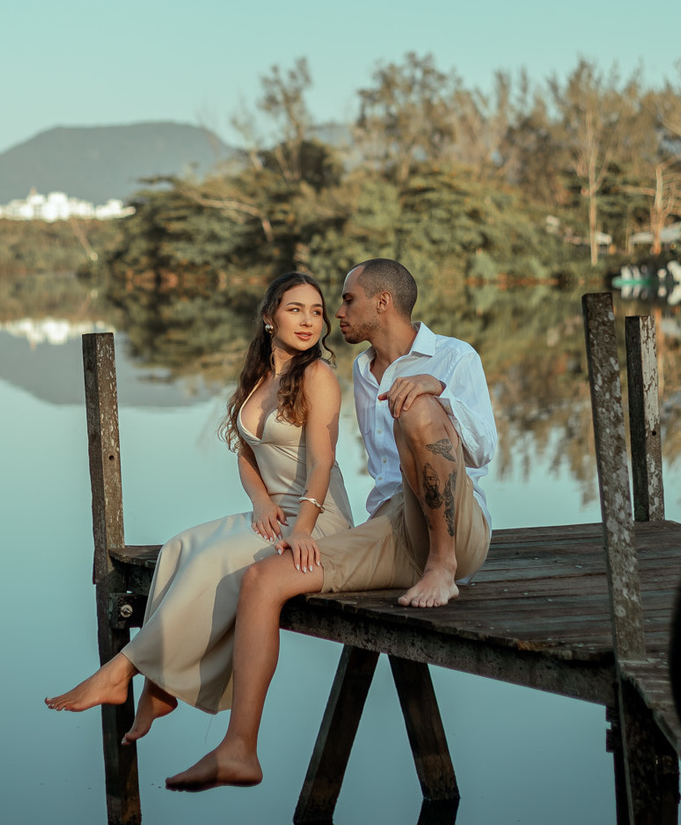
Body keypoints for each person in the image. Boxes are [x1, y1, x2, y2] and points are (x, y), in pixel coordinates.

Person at [165, 258, 497, 792]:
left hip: (457, 529)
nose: (336, 314)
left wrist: (437, 391)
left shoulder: (455, 356)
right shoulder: (362, 371)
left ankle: (441, 567)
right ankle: (239, 749)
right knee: (263, 579)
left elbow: (483, 450)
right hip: (390, 527)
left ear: (382, 303)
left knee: (416, 410)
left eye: (346, 300)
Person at [44, 272, 353, 740]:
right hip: (273, 513)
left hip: (317, 520)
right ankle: (159, 688)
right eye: (296, 309)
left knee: (213, 561)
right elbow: (247, 454)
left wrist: (303, 528)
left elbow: (323, 463)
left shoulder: (318, 376)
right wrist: (261, 501)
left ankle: (120, 672)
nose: (309, 321)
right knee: (179, 549)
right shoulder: (260, 377)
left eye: (317, 311)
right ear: (269, 317)